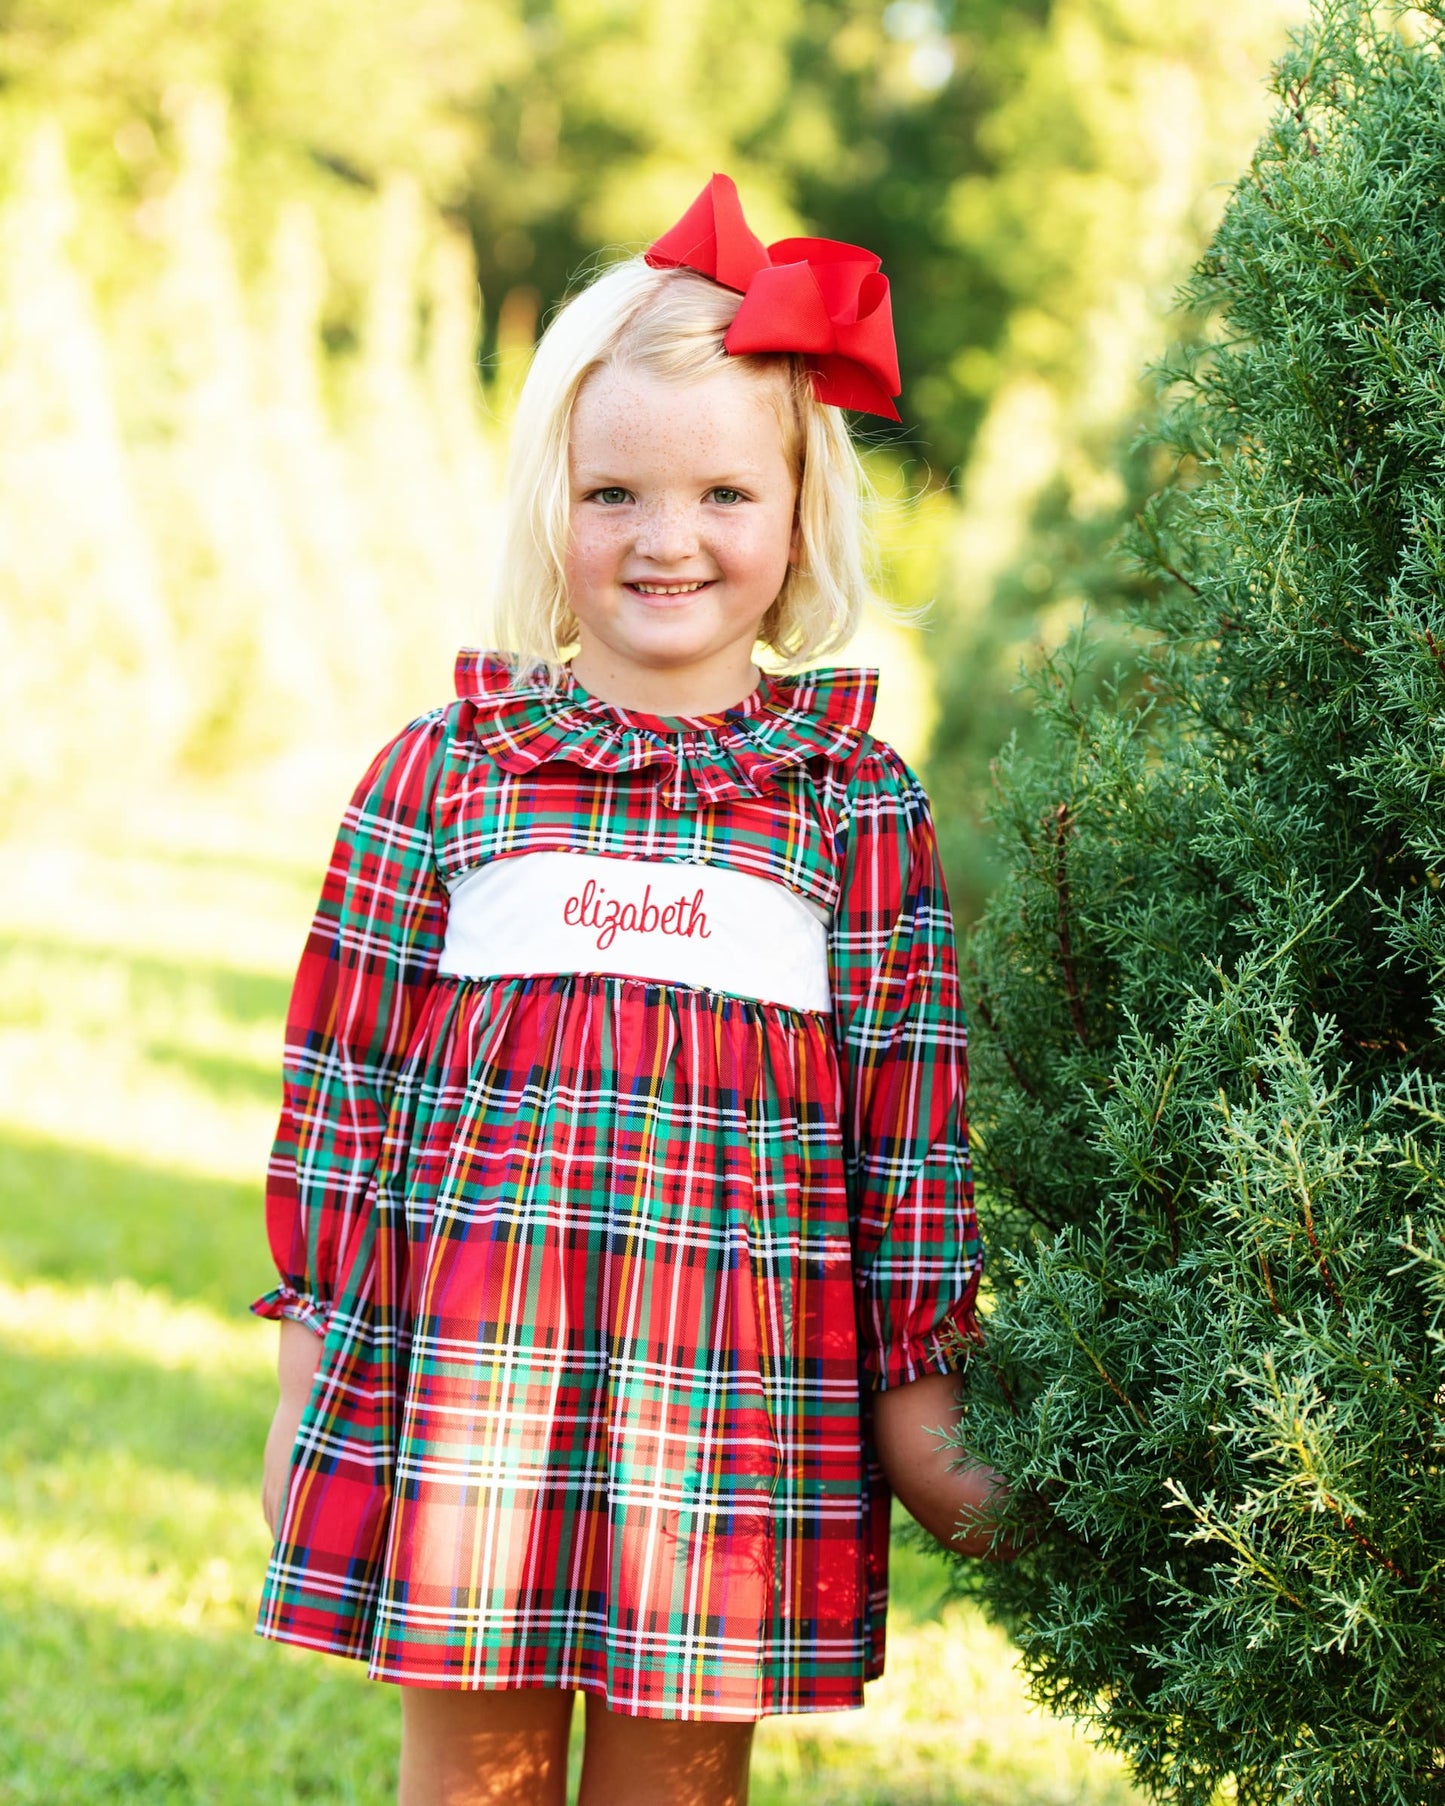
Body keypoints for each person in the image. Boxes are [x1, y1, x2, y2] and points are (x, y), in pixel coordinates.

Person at [255, 173, 1010, 1806]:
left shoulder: (850, 802)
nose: (666, 539)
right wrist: (315, 1363)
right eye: (612, 493)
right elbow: (342, 1085)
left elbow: (908, 1129)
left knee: (675, 1791)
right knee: (472, 1786)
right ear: (549, 506)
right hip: (472, 1391)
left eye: (723, 492)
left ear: (802, 510)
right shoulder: (445, 773)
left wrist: (922, 1383)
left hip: (725, 1400)